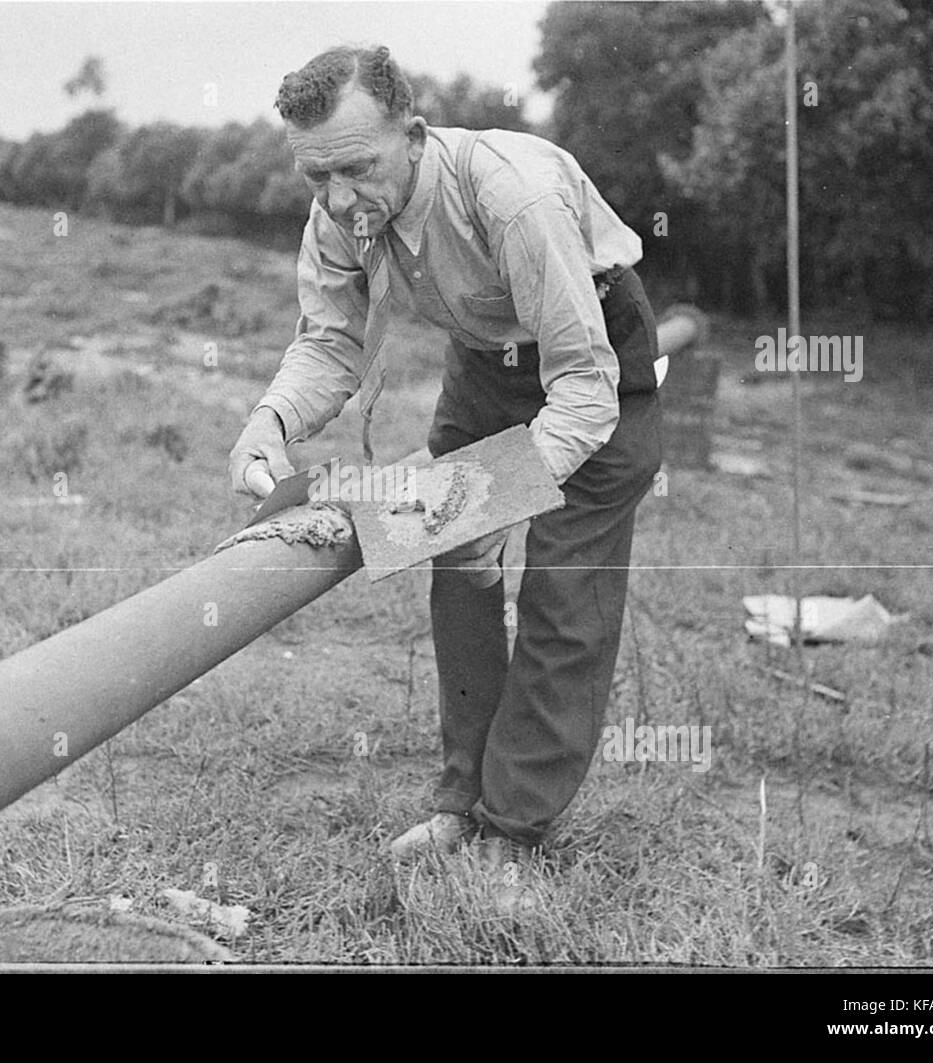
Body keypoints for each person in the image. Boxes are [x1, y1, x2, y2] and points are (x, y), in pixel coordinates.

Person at [228, 45, 662, 903]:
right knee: (456, 559)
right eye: (318, 177)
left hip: (593, 360)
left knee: (563, 593)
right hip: (485, 361)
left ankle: (515, 827)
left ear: (414, 134)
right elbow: (330, 342)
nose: (340, 197)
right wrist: (269, 423)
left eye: (357, 167)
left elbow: (583, 386)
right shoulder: (338, 212)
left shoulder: (512, 193)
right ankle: (464, 800)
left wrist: (507, 491)